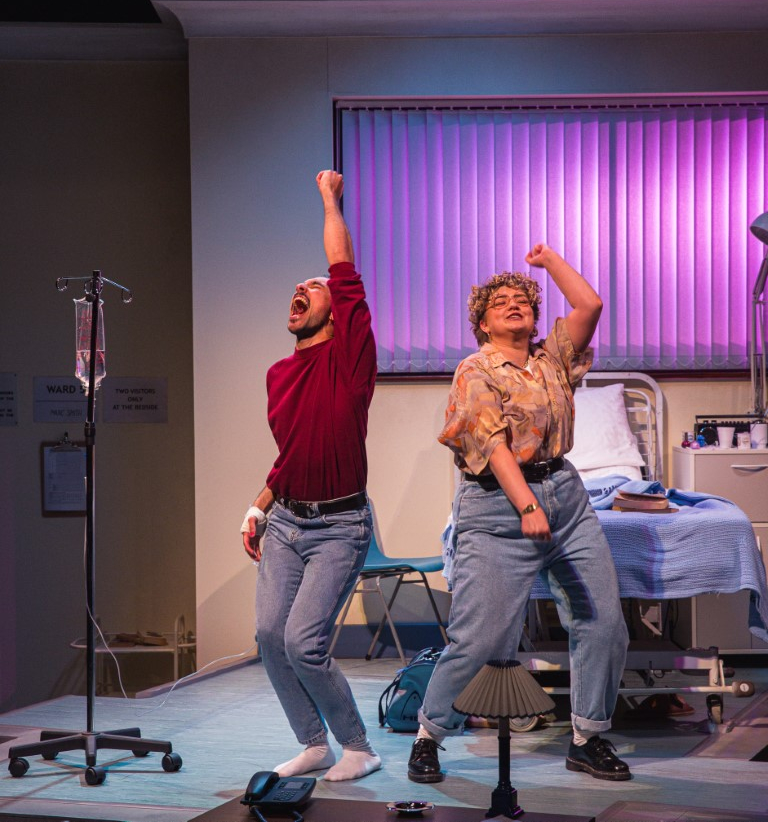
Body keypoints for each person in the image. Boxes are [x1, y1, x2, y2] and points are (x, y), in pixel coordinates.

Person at [407, 244, 631, 784]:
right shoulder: (475, 369)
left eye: (522, 300)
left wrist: (550, 263)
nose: (513, 305)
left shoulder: (550, 358)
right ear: (481, 323)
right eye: (500, 302)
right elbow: (492, 442)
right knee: (479, 639)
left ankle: (587, 736)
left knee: (603, 622)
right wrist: (526, 504)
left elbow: (590, 306)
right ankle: (429, 735)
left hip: (566, 494)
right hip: (496, 504)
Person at [240, 170, 381, 782]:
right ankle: (313, 743)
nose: (303, 287)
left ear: (335, 311)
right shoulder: (277, 374)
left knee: (304, 641)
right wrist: (259, 504)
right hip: (286, 520)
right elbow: (293, 451)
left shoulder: (349, 360)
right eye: (298, 286)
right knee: (270, 637)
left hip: (340, 525)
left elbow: (343, 270)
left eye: (315, 285)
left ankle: (358, 746)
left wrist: (329, 199)